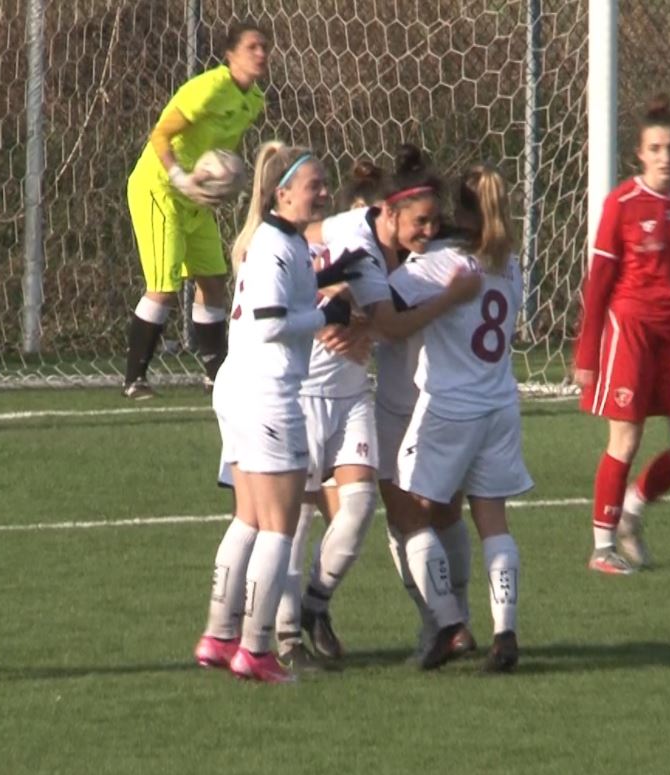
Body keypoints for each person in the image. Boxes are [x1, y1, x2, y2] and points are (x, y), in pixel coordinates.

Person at [274, 149, 481, 669]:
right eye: (420, 221)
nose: (429, 231)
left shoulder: (425, 248)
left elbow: (384, 322)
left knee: (372, 506)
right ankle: (284, 635)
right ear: (388, 213)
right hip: (303, 390)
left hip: (362, 394)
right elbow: (279, 246)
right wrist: (312, 309)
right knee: (294, 514)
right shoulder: (350, 236)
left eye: (435, 220)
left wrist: (363, 321)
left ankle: (320, 607)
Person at [191, 141, 361, 684]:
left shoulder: (279, 242)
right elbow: (268, 322)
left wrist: (324, 291)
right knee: (278, 529)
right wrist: (324, 314)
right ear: (281, 192)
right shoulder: (274, 247)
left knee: (247, 518)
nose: (325, 192)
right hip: (266, 394)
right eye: (315, 184)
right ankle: (256, 648)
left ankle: (219, 636)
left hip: (241, 389)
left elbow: (278, 304)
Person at [390, 163, 533, 672]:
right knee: (492, 519)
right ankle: (505, 633)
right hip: (499, 405)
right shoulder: (510, 261)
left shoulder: (440, 263)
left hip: (450, 408)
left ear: (459, 210)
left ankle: (447, 621)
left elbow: (384, 303)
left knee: (407, 511)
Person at [573, 94, 670, 575]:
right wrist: (588, 353)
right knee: (626, 439)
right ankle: (602, 547)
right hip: (631, 331)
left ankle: (633, 510)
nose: (665, 156)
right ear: (640, 153)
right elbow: (598, 285)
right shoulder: (623, 204)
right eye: (655, 148)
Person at [122, 22, 270, 398]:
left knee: (213, 280)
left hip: (194, 198)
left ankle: (216, 375)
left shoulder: (254, 100)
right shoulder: (208, 88)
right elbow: (160, 134)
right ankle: (134, 379)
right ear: (230, 54)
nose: (261, 54)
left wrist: (225, 181)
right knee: (164, 286)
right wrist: (179, 175)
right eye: (252, 47)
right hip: (160, 187)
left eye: (264, 47)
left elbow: (219, 154)